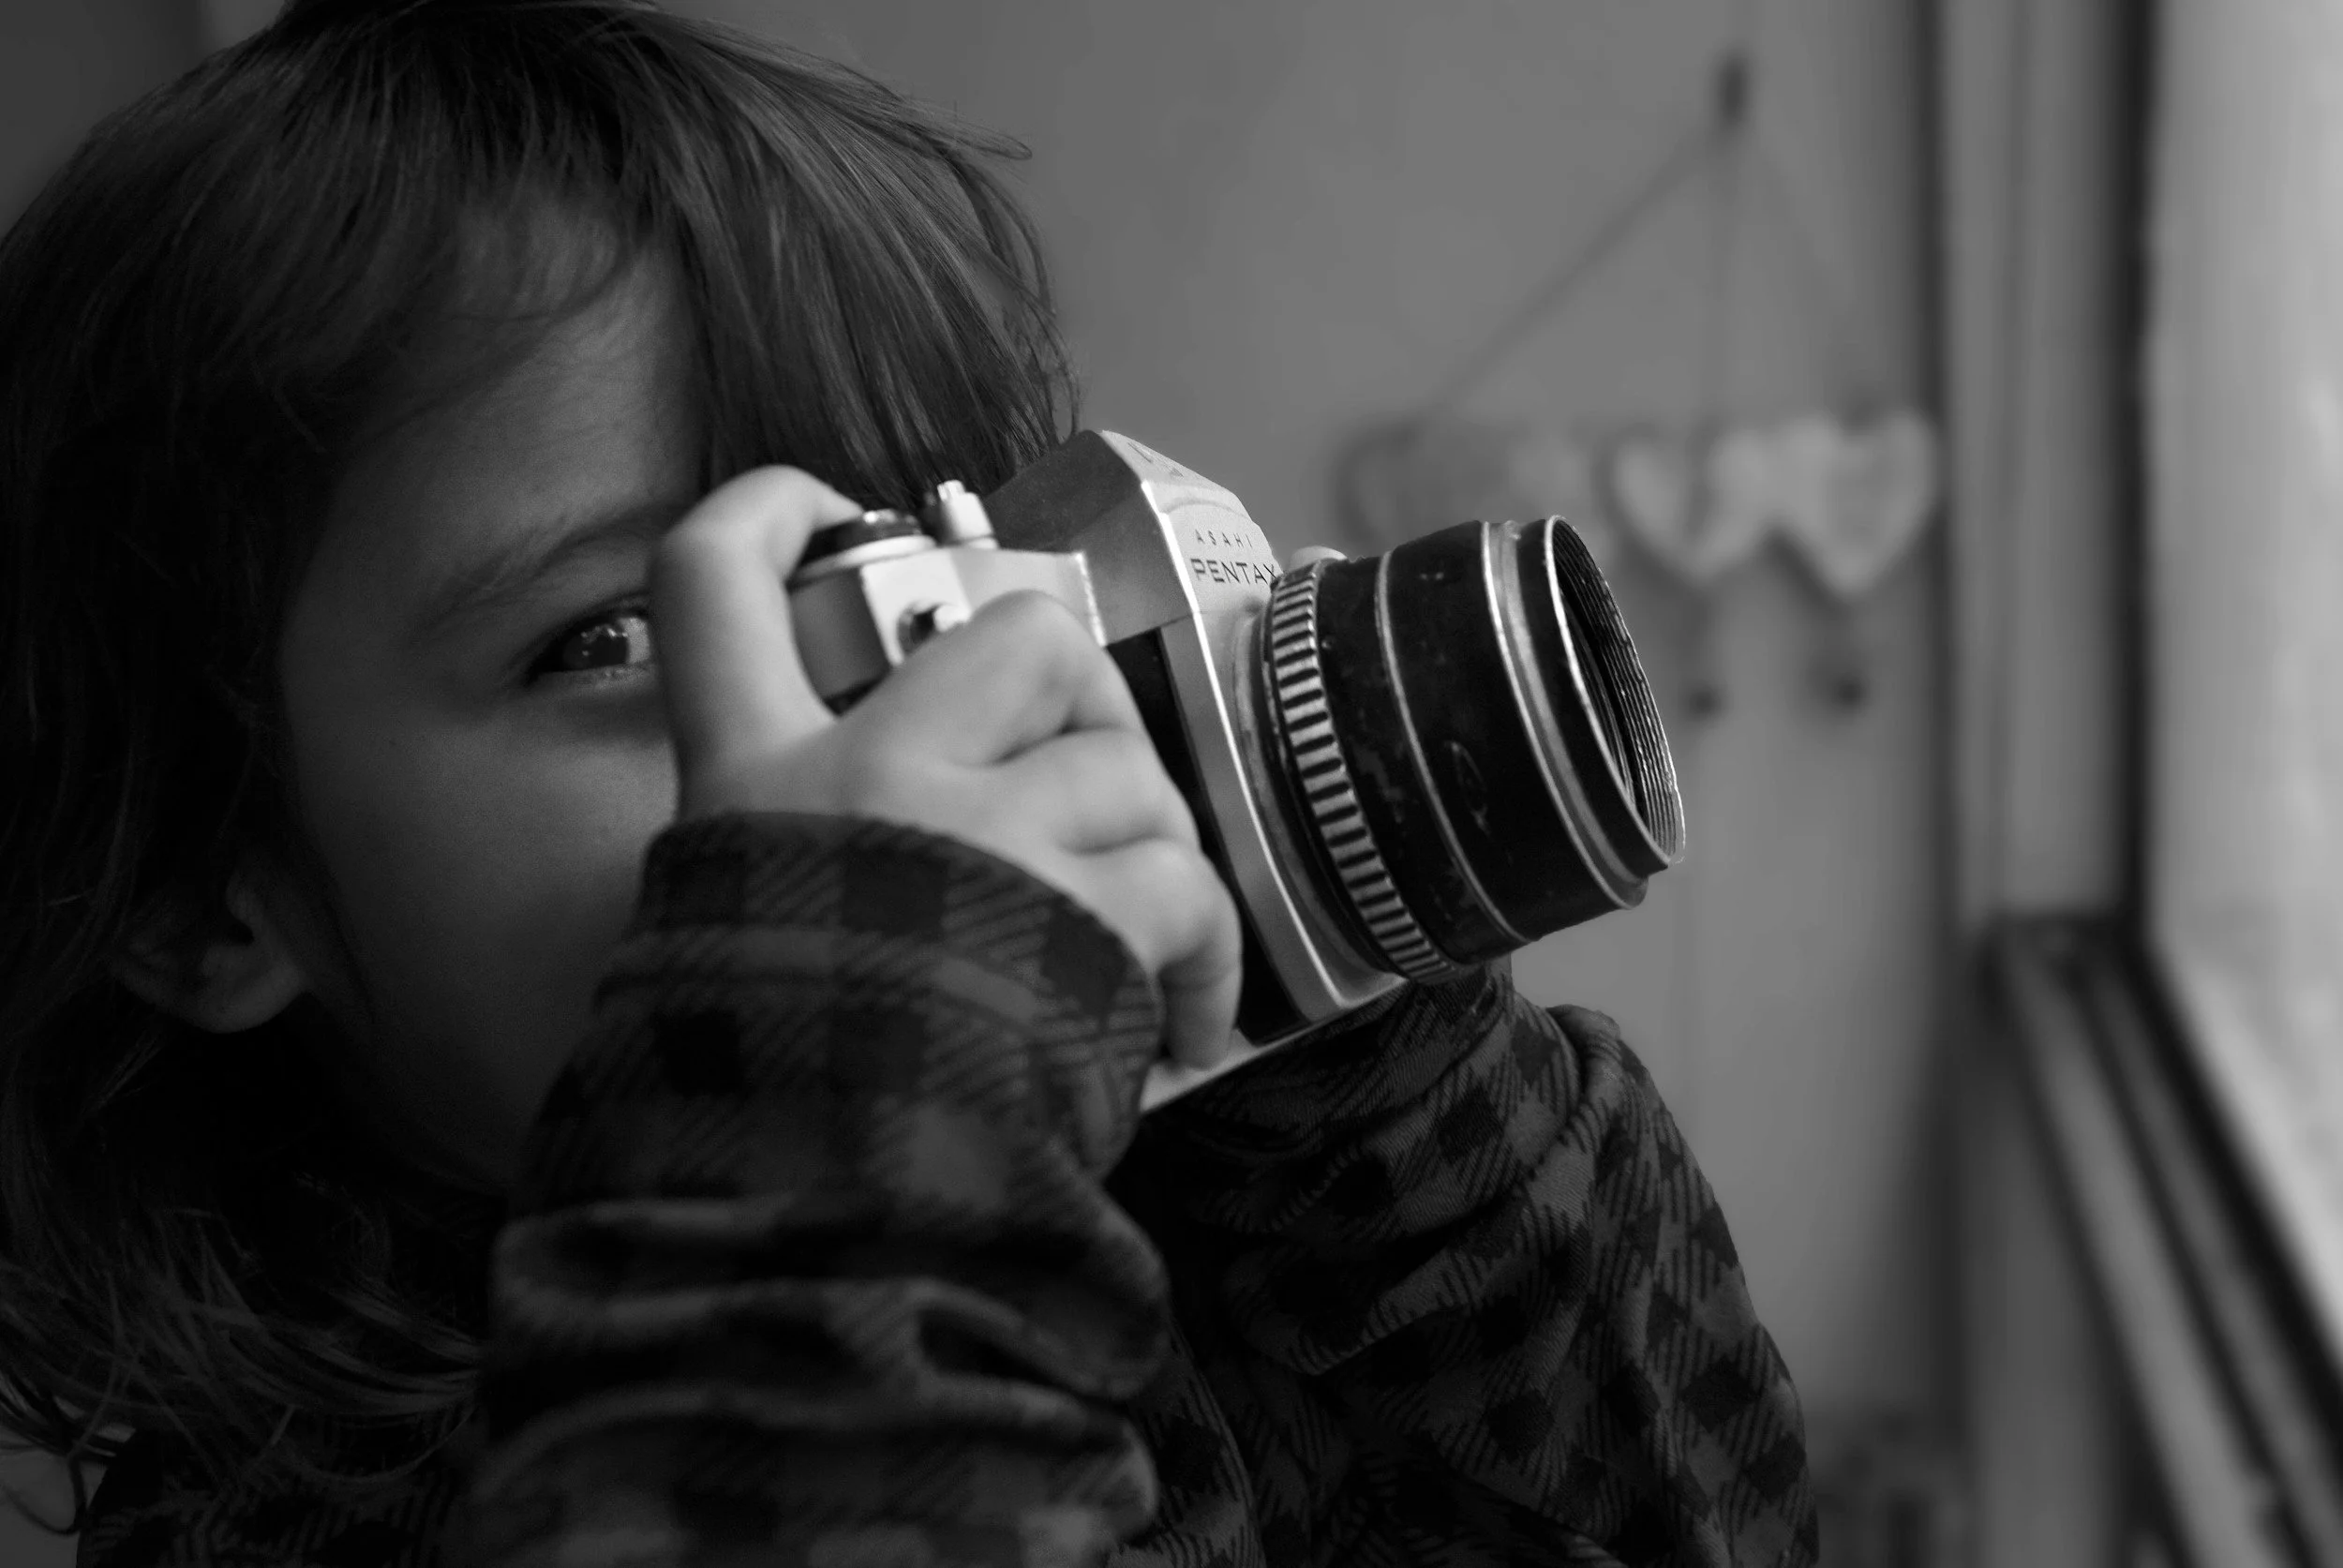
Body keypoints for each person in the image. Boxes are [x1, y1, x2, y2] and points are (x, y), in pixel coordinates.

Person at [0, 3, 1817, 1563]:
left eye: (916, 569)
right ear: (197, 893)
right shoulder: (291, 1510)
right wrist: (850, 1097)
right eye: (626, 631)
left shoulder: (1191, 1205)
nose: (895, 719)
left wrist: (1344, 1047)